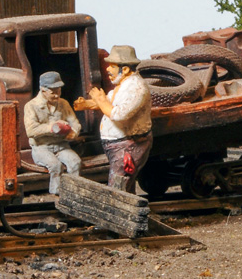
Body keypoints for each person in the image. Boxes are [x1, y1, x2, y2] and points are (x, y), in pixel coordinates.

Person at [88, 45, 152, 193]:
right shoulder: (122, 85)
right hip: (119, 145)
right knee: (124, 185)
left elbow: (119, 114)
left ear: (125, 69)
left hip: (128, 145)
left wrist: (100, 100)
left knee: (118, 186)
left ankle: (119, 213)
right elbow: (110, 101)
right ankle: (129, 211)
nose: (107, 69)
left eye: (112, 66)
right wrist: (91, 103)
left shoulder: (136, 88)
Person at [24, 71, 82, 194]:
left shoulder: (63, 103)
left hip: (62, 146)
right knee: (55, 166)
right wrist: (51, 128)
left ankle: (73, 194)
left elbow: (75, 123)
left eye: (59, 91)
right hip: (41, 147)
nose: (57, 95)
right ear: (43, 90)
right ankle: (57, 194)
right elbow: (31, 130)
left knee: (75, 162)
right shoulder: (31, 106)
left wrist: (74, 132)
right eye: (53, 92)